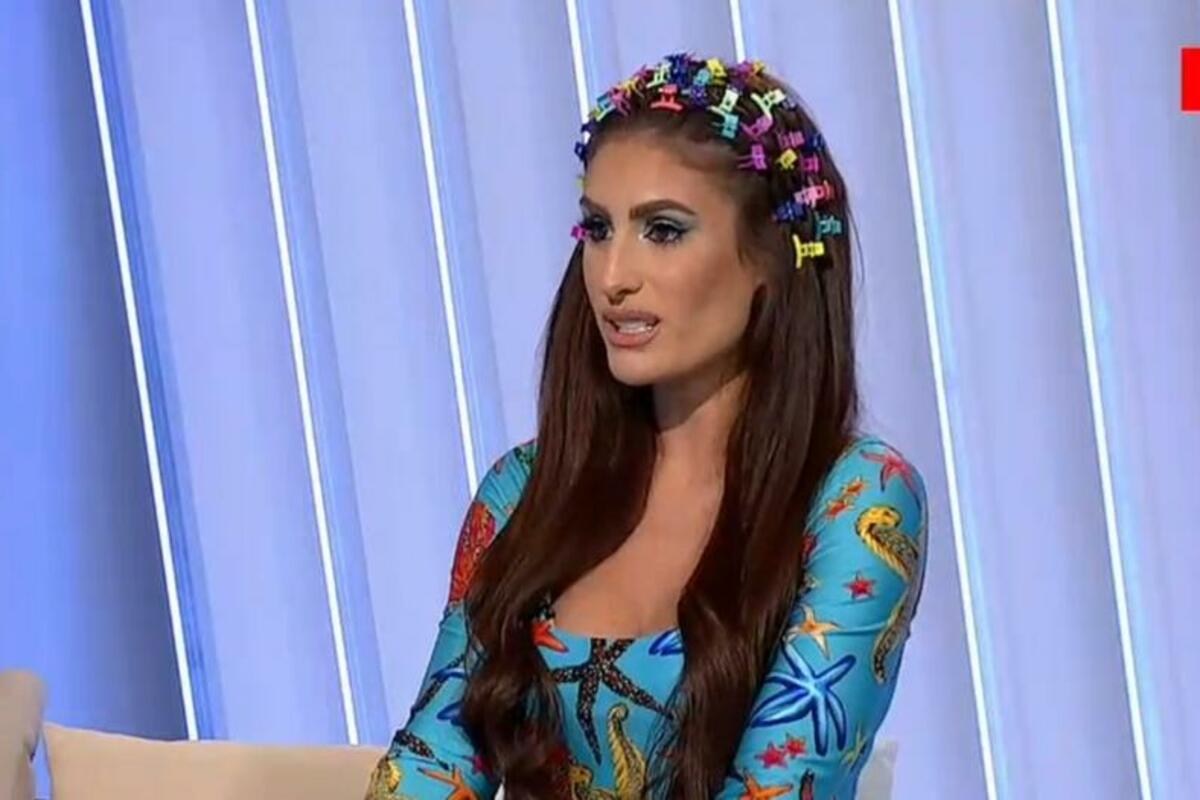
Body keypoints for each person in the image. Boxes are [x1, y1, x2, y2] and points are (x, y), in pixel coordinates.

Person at [366, 52, 929, 800]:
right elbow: (429, 765)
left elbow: (784, 783)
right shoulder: (522, 491)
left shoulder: (858, 500)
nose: (611, 277)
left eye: (662, 230)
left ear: (771, 257)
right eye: (598, 229)